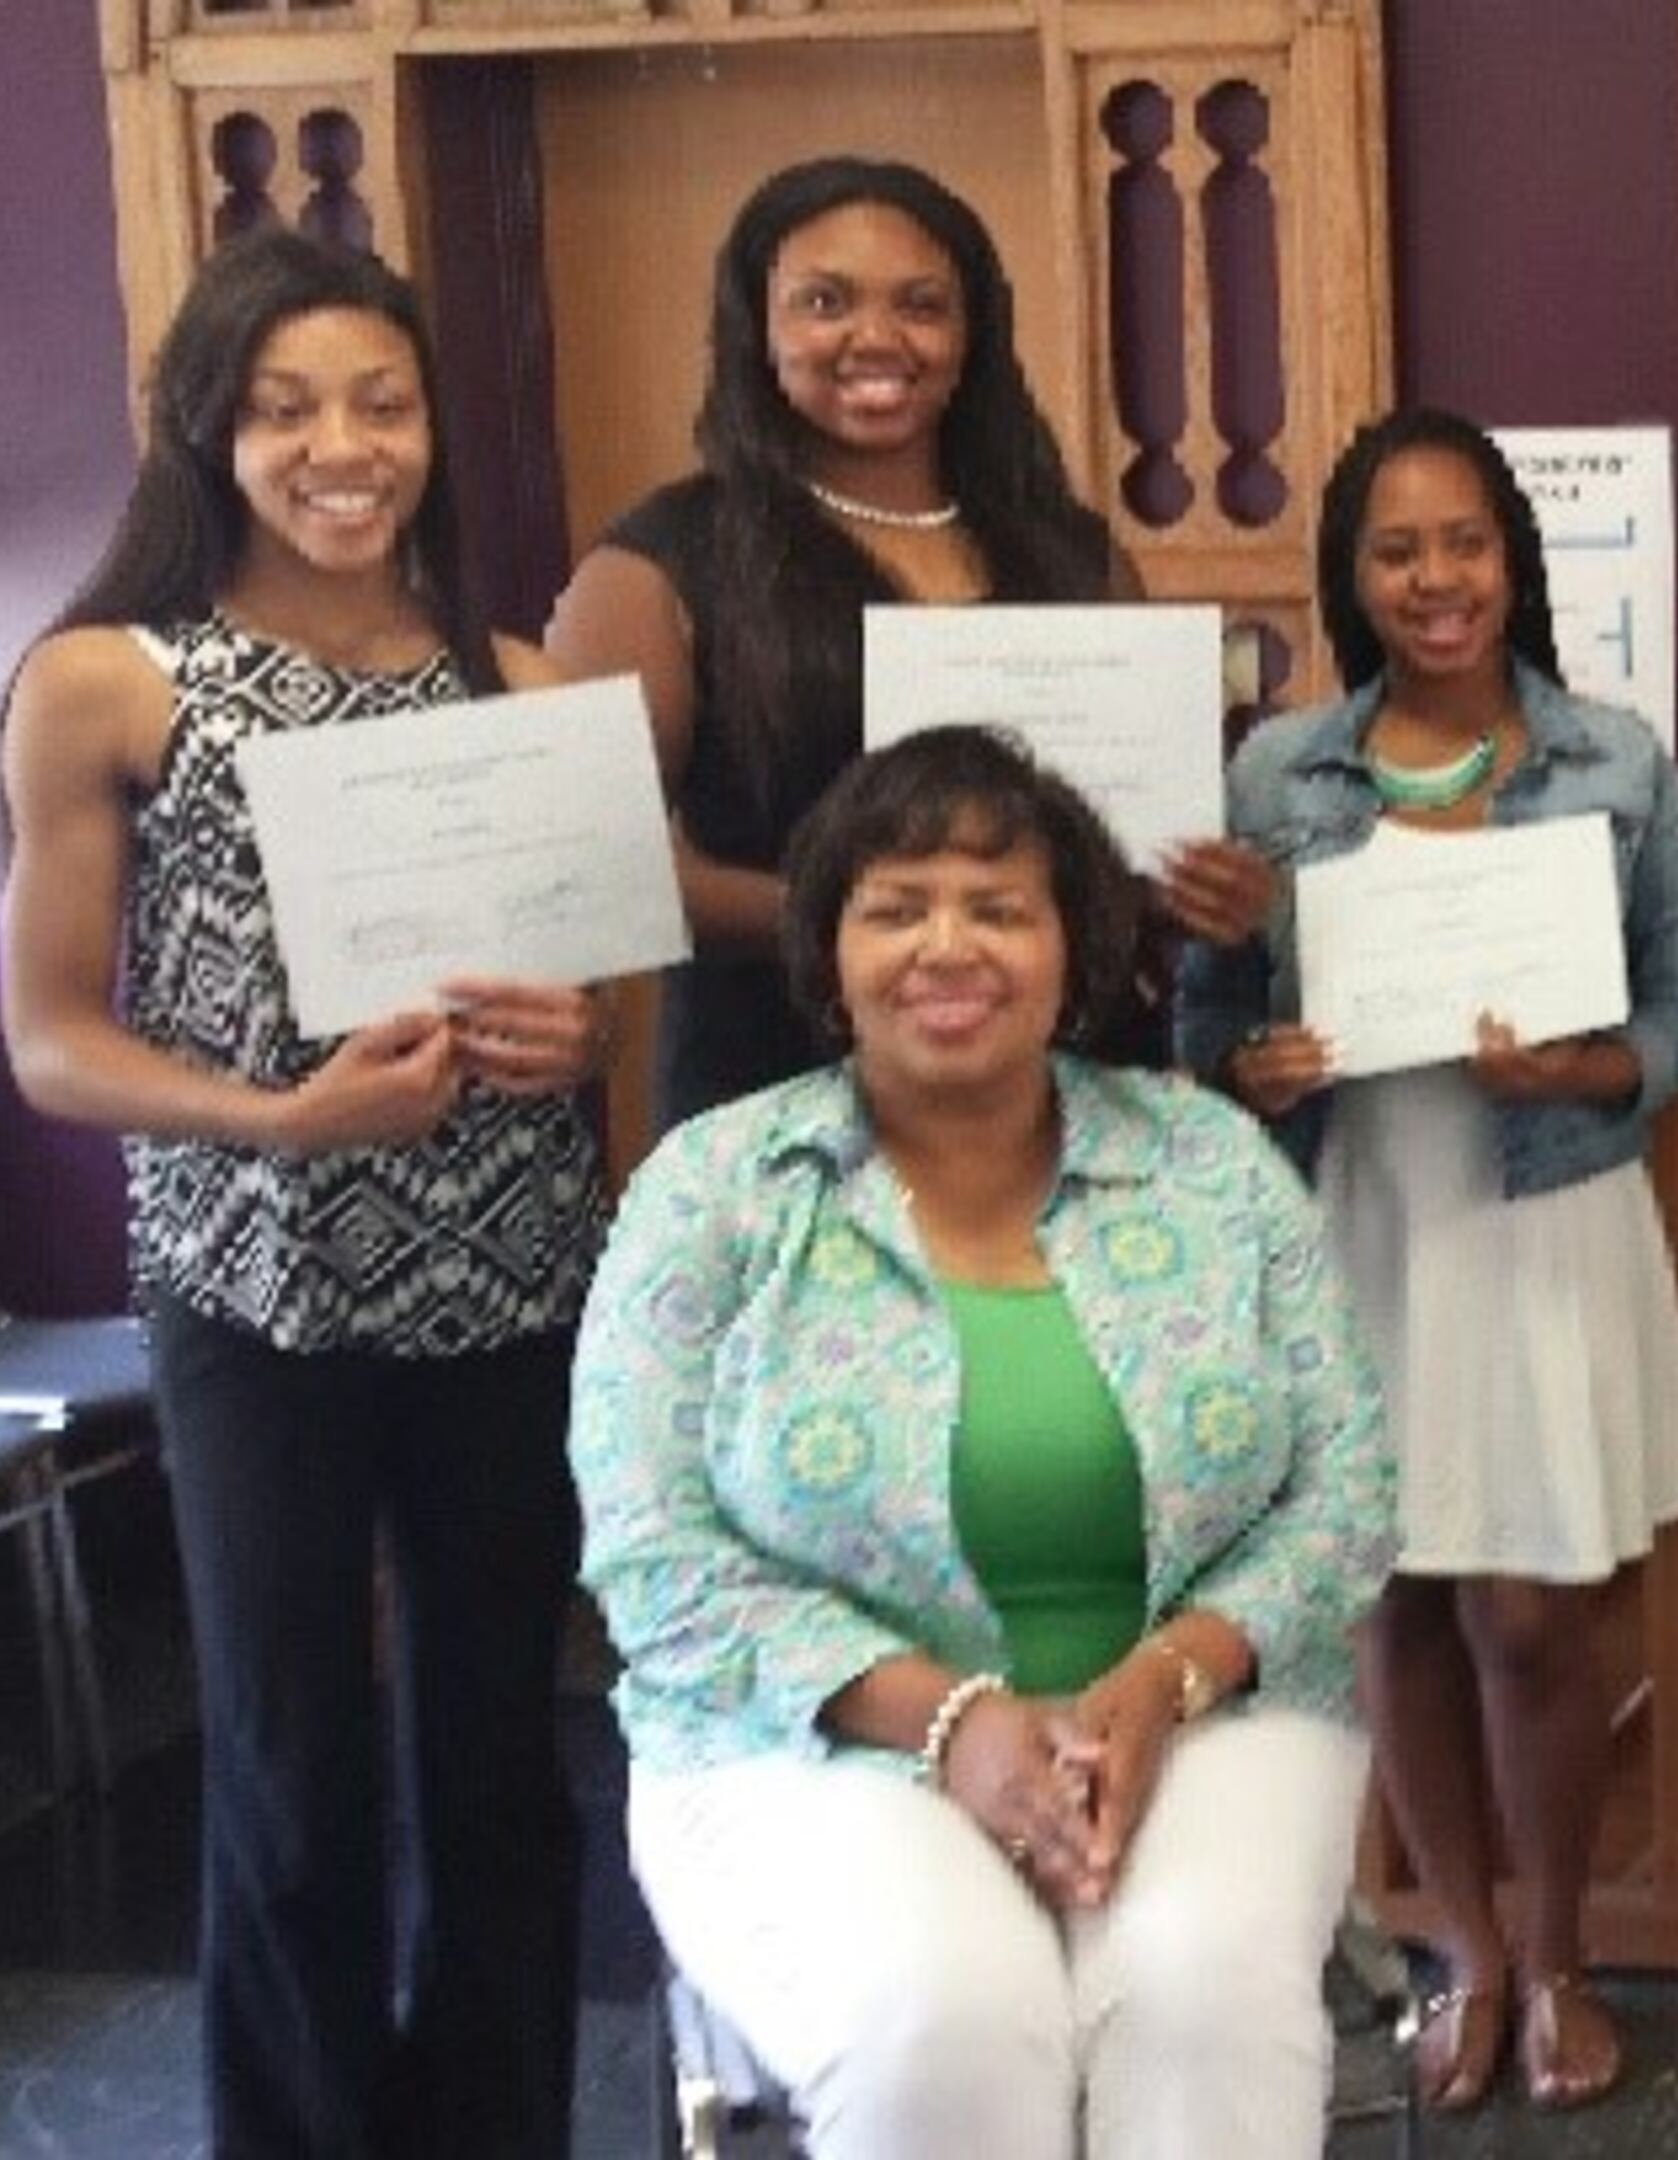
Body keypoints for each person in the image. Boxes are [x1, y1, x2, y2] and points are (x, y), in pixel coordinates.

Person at [0, 229, 611, 2156]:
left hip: (508, 1287)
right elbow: (47, 1042)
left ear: (436, 427)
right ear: (209, 432)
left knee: (504, 1758)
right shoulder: (109, 684)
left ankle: (494, 2129)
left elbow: (596, 986)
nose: (340, 448)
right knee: (289, 1762)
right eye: (283, 410)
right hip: (255, 1296)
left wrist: (576, 1049)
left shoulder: (513, 680)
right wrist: (276, 1119)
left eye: (381, 403)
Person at [570, 727, 1395, 2158]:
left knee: (1198, 1996)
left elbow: (1347, 1489)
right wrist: (952, 1725)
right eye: (896, 908)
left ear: (1077, 951)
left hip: (1206, 1715)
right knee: (945, 2022)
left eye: (1000, 908)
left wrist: (1159, 1678)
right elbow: (652, 1556)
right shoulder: (711, 1190)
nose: (948, 945)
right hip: (806, 1742)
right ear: (828, 957)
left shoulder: (1211, 1164)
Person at [1176, 406, 1678, 2113]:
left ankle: (1562, 1948)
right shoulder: (1280, 777)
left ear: (1516, 559)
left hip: (1547, 1215)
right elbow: (1212, 1024)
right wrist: (1248, 1067)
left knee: (1529, 1613)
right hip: (1363, 1222)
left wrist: (1586, 1069)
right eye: (1398, 550)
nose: (1438, 580)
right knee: (1397, 1605)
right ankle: (1467, 1955)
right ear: (1353, 580)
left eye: (1466, 543)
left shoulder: (1617, 759)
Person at [543, 155, 1267, 1129]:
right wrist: (889, 918)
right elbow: (591, 874)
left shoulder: (1069, 551)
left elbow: (1120, 849)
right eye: (825, 301)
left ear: (973, 333)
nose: (877, 338)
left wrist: (1195, 889)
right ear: (757, 324)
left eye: (922, 305)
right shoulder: (661, 564)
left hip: (1063, 1092)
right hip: (782, 1092)